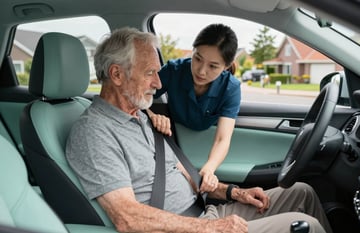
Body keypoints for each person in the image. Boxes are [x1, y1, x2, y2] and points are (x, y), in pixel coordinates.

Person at [66, 27, 332, 233]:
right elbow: (127, 217)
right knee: (303, 225)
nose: (158, 83)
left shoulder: (141, 118)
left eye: (158, 73)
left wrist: (234, 193)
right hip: (188, 226)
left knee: (302, 193)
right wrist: (208, 227)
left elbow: (190, 178)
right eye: (150, 73)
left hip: (203, 214)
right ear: (116, 75)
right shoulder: (93, 133)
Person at [148, 24, 241, 193]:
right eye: (197, 58)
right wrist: (151, 114)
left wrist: (209, 168)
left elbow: (222, 138)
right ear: (193, 50)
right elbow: (137, 98)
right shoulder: (173, 70)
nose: (201, 71)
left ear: (226, 66)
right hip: (171, 140)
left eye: (213, 66)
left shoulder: (231, 88)